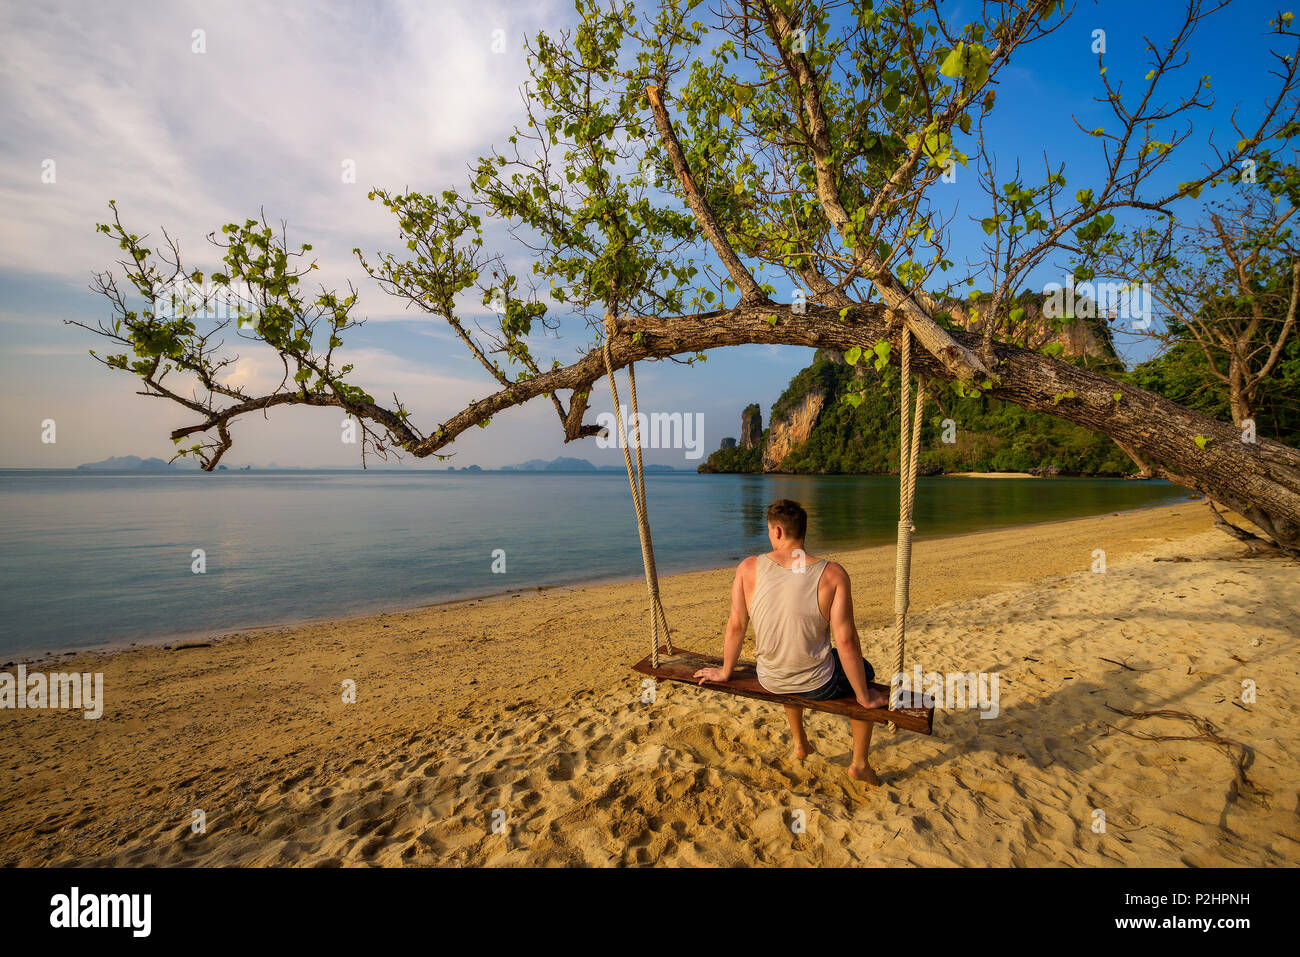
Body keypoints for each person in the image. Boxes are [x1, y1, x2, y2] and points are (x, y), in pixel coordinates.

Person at [693, 499, 888, 784]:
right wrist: (864, 697)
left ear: (777, 531)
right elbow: (845, 640)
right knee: (864, 671)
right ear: (803, 531)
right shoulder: (833, 574)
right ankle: (859, 764)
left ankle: (800, 742)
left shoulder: (748, 568)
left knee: (793, 650)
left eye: (769, 530)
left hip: (770, 678)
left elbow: (736, 624)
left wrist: (725, 672)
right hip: (817, 684)